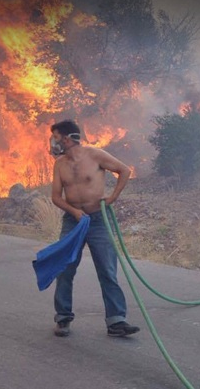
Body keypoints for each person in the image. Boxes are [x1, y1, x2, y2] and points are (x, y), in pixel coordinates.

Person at [49, 119, 140, 337]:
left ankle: (116, 321)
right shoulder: (60, 164)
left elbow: (124, 170)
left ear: (69, 139)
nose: (53, 142)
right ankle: (63, 317)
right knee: (65, 269)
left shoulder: (95, 155)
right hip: (73, 222)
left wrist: (112, 198)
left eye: (56, 137)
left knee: (107, 269)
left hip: (99, 219)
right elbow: (55, 197)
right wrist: (74, 212)